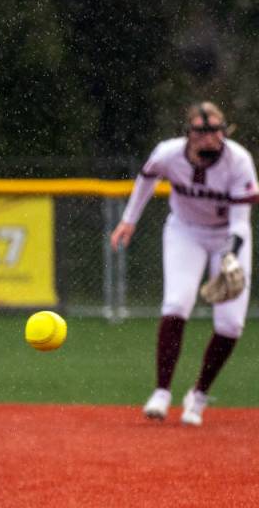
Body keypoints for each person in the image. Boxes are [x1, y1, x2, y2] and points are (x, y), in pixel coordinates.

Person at [110, 101, 257, 426]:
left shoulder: (239, 161)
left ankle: (199, 394)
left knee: (230, 324)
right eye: (201, 132)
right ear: (188, 133)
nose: (209, 138)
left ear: (224, 132)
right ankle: (162, 392)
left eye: (215, 131)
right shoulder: (169, 153)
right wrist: (129, 220)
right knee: (176, 303)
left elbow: (240, 222)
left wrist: (230, 256)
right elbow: (146, 178)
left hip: (227, 237)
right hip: (185, 232)